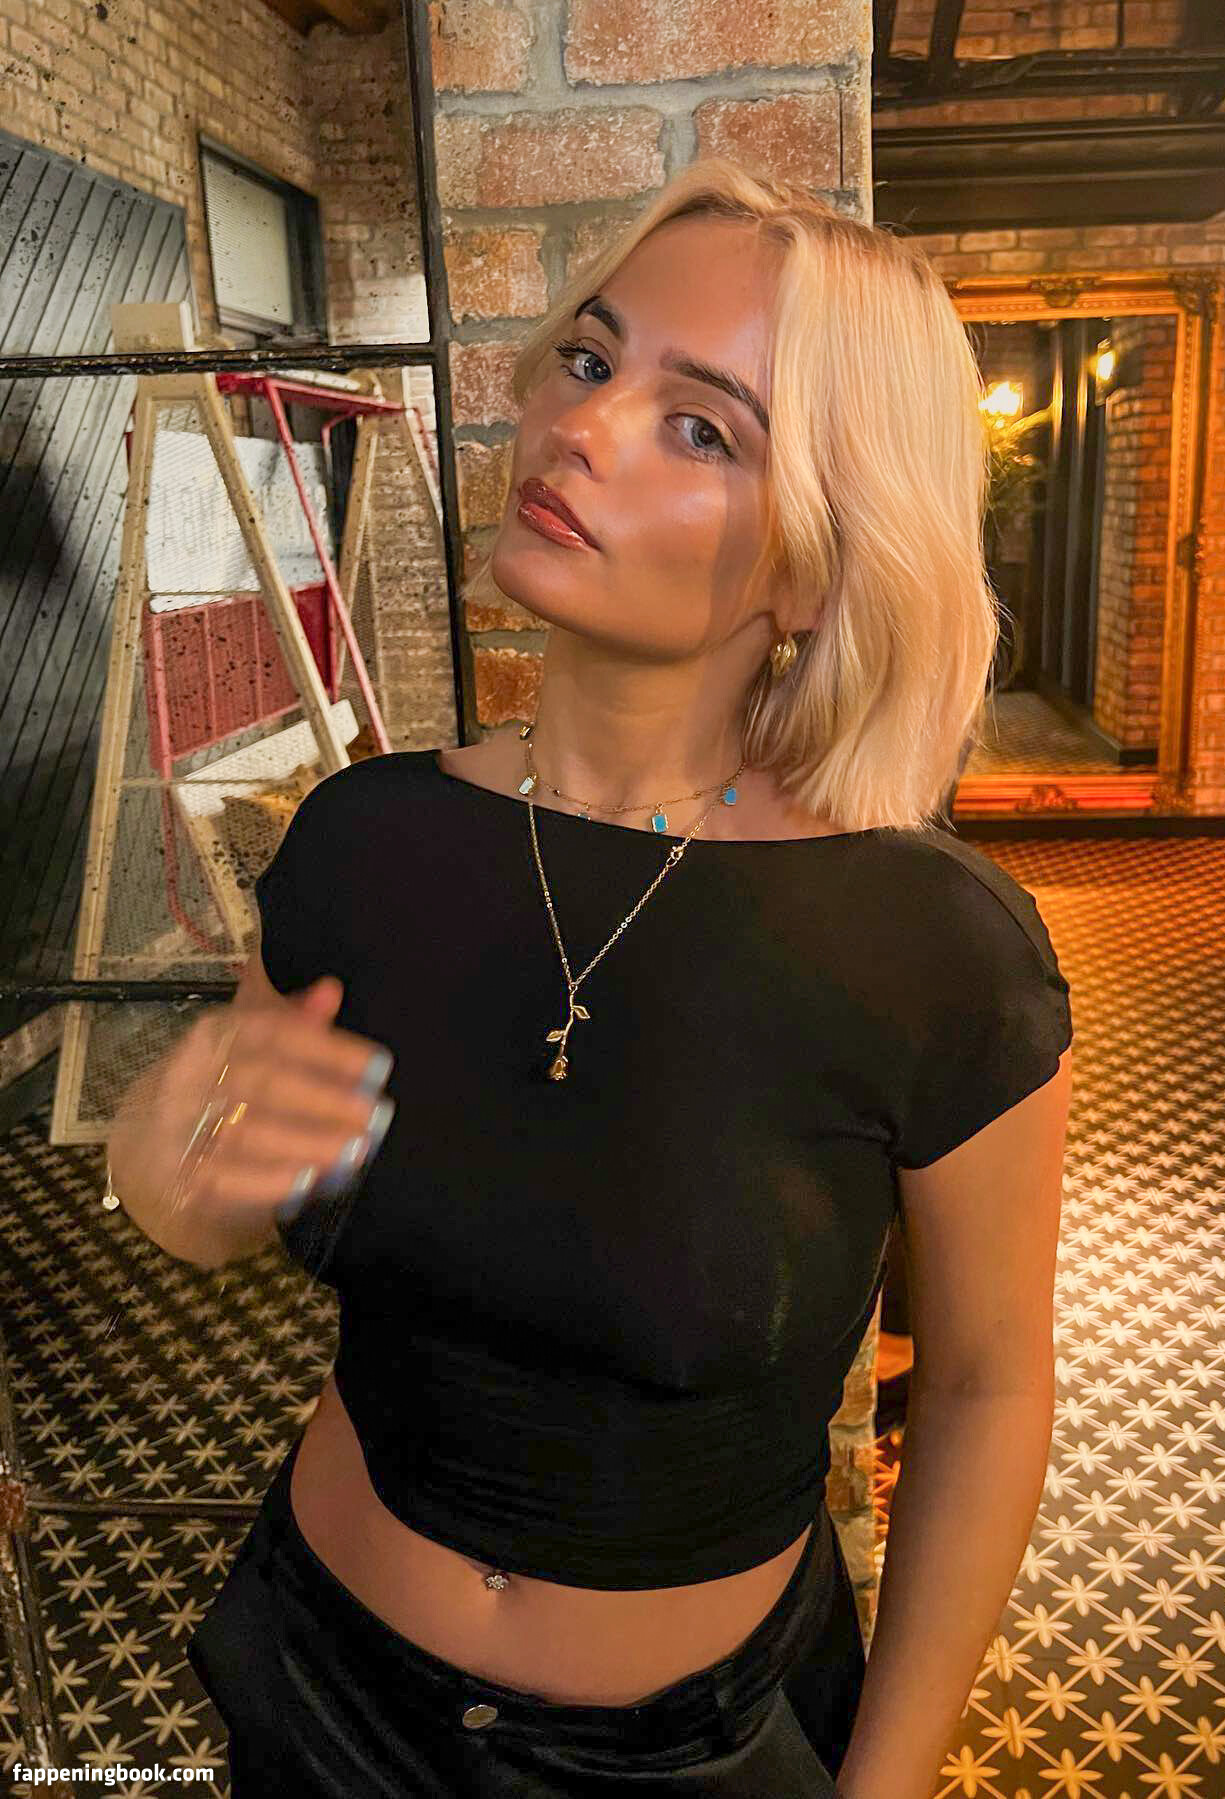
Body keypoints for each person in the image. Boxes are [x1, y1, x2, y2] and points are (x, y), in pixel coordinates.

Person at [107, 158, 1073, 1798]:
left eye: (702, 427)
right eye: (588, 357)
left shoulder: (933, 948)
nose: (583, 426)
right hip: (320, 1687)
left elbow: (987, 1387)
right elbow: (215, 1195)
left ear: (817, 560)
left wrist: (889, 1782)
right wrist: (161, 1163)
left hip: (686, 1755)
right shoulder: (365, 843)